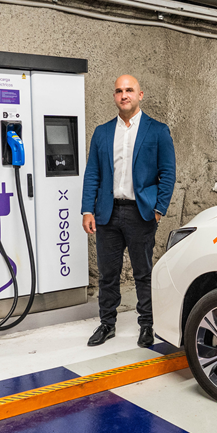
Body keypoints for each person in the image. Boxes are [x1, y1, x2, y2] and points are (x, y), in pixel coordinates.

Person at [82, 75, 176, 348]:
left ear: (140, 95)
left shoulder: (157, 131)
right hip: (107, 213)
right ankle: (106, 323)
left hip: (141, 213)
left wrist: (158, 209)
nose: (124, 95)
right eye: (119, 91)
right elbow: (93, 174)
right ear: (114, 96)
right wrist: (88, 209)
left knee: (142, 273)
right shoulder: (102, 132)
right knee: (107, 274)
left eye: (129, 90)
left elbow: (167, 173)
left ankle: (147, 324)